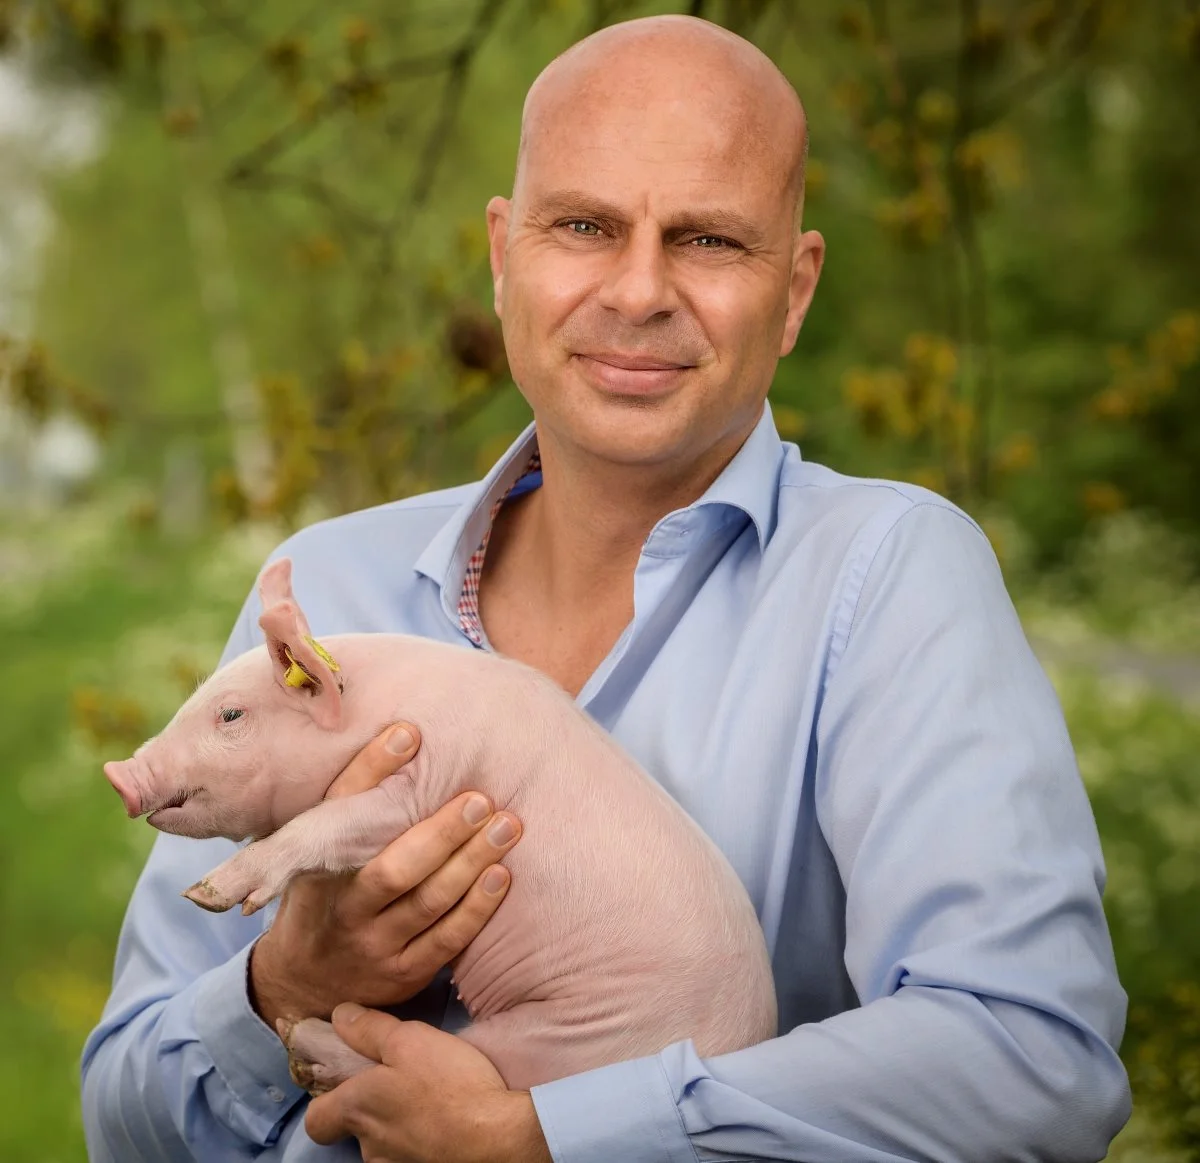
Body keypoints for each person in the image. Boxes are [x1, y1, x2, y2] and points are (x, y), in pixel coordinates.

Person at [81, 14, 1131, 1163]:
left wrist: (545, 1137)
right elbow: (123, 1120)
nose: (638, 290)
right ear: (501, 252)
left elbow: (1033, 1058)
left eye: (709, 240)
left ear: (796, 287)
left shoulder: (885, 579)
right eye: (582, 224)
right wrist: (280, 983)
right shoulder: (328, 585)